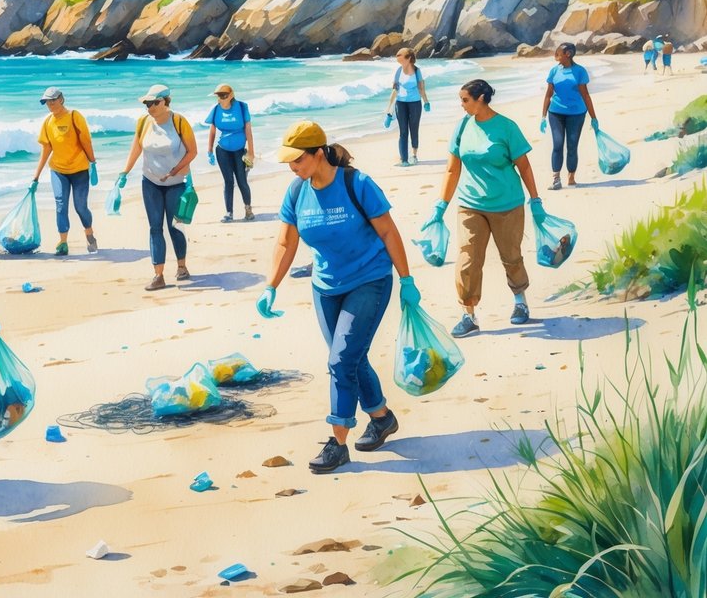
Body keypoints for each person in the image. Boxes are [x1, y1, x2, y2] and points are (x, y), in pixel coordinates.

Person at [255, 121, 420, 474]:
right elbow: (286, 241)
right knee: (350, 359)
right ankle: (381, 417)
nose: (291, 167)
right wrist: (271, 285)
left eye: (297, 160)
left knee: (341, 360)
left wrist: (406, 280)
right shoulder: (297, 191)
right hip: (326, 286)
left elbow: (388, 231)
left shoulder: (356, 184)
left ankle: (338, 442)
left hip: (369, 279)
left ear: (318, 154)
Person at [429, 79, 542, 338]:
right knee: (468, 259)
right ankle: (468, 315)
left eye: (465, 100)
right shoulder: (462, 127)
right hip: (471, 204)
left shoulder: (506, 128)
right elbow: (452, 168)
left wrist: (535, 200)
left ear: (481, 99)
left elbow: (524, 166)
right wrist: (440, 206)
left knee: (511, 256)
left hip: (507, 204)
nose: (461, 105)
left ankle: (520, 301)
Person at [117, 84, 198, 291]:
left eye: (154, 103)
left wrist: (175, 170)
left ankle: (182, 267)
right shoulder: (144, 122)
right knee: (154, 227)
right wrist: (124, 172)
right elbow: (136, 147)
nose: (149, 107)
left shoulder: (179, 121)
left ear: (165, 102)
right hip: (150, 181)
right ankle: (158, 275)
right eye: (147, 103)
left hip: (176, 183)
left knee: (174, 226)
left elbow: (192, 152)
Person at [32, 87, 98, 256]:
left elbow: (86, 141)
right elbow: (46, 150)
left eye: (53, 100)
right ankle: (63, 242)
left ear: (61, 99)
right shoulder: (47, 123)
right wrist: (36, 175)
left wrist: (93, 163)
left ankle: (89, 235)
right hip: (58, 170)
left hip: (79, 169)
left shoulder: (75, 116)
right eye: (47, 101)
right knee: (60, 204)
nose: (50, 104)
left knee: (80, 206)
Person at [539, 42, 597, 189]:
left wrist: (594, 117)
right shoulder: (554, 71)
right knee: (557, 145)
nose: (555, 55)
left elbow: (586, 95)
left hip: (576, 114)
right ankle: (556, 179)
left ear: (568, 54)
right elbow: (548, 95)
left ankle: (571, 177)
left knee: (572, 146)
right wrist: (543, 116)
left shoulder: (580, 72)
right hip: (556, 113)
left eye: (558, 53)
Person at [204, 83, 255, 222]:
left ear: (231, 95)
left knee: (242, 180)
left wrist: (251, 152)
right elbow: (213, 130)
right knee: (228, 181)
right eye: (219, 96)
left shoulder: (242, 107)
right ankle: (229, 213)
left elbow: (248, 131)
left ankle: (248, 209)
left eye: (224, 95)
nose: (221, 98)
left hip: (239, 151)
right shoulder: (216, 110)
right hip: (223, 150)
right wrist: (209, 150)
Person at [383, 47, 431, 166]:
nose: (397, 56)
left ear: (408, 58)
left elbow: (421, 88)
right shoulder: (398, 71)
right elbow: (395, 90)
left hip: (415, 103)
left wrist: (426, 102)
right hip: (401, 103)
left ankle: (414, 155)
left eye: (400, 55)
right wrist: (389, 107)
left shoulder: (417, 71)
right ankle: (403, 159)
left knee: (414, 129)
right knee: (403, 131)